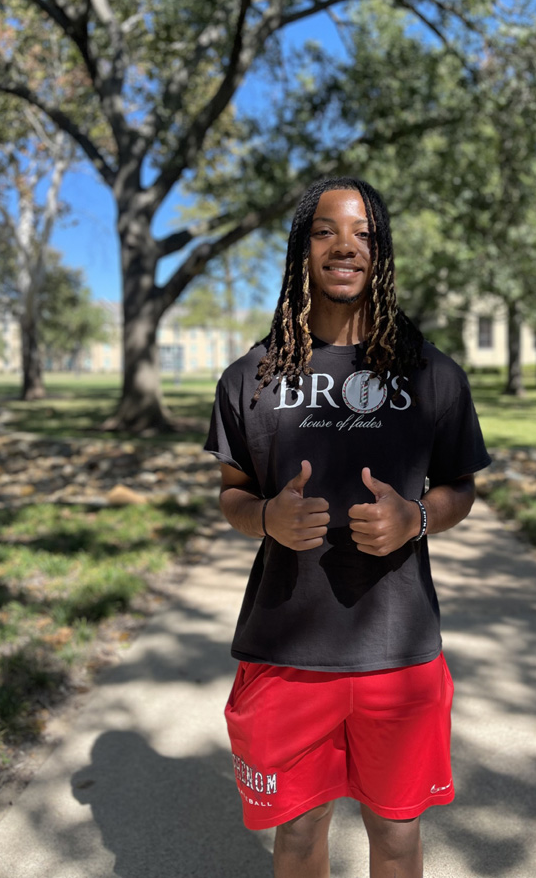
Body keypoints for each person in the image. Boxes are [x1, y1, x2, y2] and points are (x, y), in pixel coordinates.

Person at [205, 177, 491, 878]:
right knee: (299, 830)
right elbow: (232, 494)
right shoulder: (250, 377)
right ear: (302, 248)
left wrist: (415, 517)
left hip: (399, 651)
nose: (346, 246)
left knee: (396, 832)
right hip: (286, 652)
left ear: (381, 252)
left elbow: (461, 488)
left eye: (364, 233)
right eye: (326, 230)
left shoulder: (432, 374)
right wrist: (266, 517)